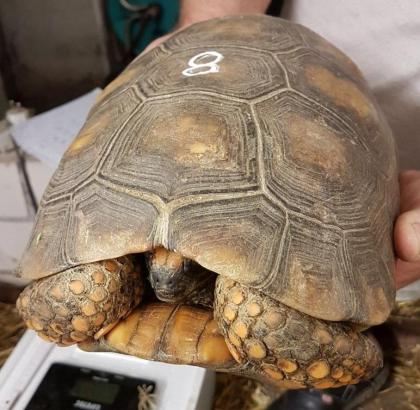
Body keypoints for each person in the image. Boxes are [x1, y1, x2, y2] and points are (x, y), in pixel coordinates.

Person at [144, 0, 420, 407]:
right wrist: (202, 35)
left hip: (346, 146)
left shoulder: (244, 298)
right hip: (239, 67)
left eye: (181, 266)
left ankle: (327, 372)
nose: (166, 282)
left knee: (301, 311)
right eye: (158, 264)